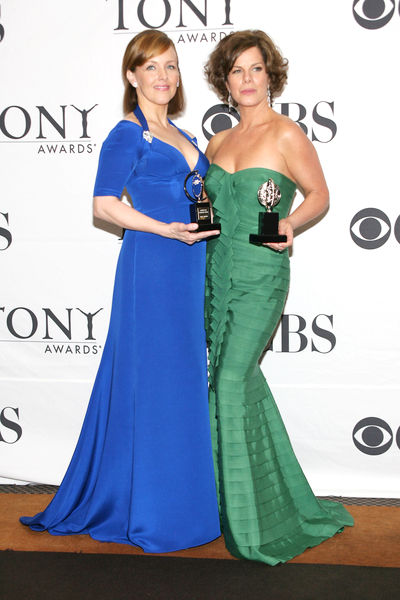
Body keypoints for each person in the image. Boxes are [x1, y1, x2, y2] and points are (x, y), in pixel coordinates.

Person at [20, 30, 221, 553]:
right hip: (153, 266)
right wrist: (163, 229)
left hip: (188, 263)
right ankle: (152, 510)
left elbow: (194, 193)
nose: (163, 77)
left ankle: (181, 501)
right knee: (152, 381)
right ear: (131, 75)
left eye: (171, 67)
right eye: (151, 67)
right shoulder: (126, 133)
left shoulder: (179, 132)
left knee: (179, 380)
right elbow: (103, 204)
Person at [203, 30, 353, 565]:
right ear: (225, 80)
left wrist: (288, 221)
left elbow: (320, 195)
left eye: (256, 69)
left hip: (261, 272)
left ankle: (252, 525)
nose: (247, 79)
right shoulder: (217, 143)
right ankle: (257, 501)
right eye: (237, 70)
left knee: (228, 382)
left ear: (271, 75)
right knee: (235, 385)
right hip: (216, 274)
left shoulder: (286, 134)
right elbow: (206, 210)